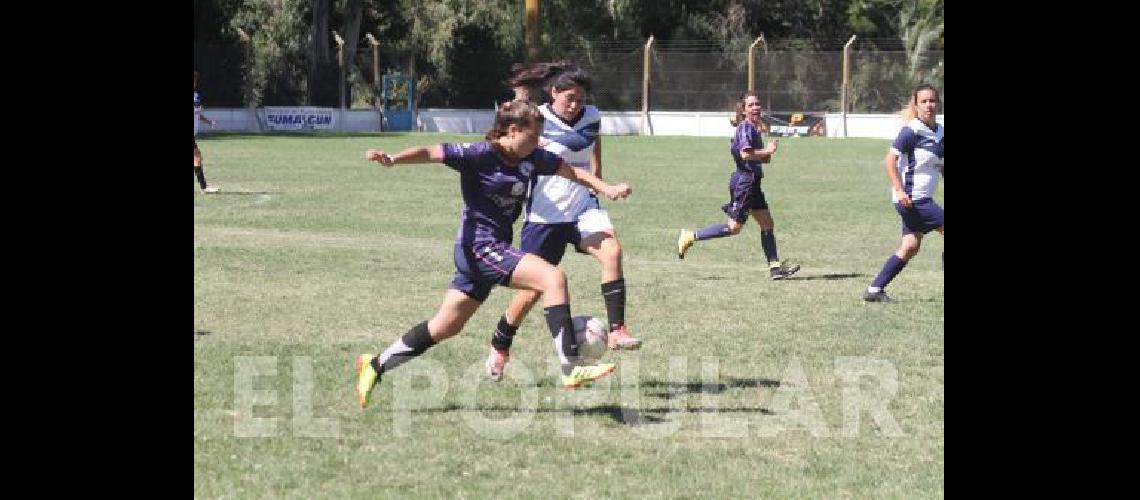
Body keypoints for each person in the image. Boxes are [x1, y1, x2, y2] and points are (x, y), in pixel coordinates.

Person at [354, 100, 633, 408]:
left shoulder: (531, 157)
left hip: (490, 248)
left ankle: (375, 365)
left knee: (446, 326)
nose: (539, 142)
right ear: (512, 131)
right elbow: (432, 152)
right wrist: (393, 159)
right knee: (552, 278)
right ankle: (570, 365)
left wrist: (605, 189)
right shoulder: (479, 154)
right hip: (479, 246)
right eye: (533, 136)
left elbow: (572, 172)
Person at [484, 63, 641, 383]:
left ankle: (616, 330)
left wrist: (598, 182)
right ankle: (500, 344)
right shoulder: (535, 119)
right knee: (531, 292)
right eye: (570, 98)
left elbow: (594, 144)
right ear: (553, 93)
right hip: (545, 214)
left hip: (583, 206)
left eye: (581, 100)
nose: (576, 105)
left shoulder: (593, 115)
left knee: (612, 252)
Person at [675, 91, 801, 280]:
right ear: (743, 110)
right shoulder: (745, 128)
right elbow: (744, 154)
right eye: (751, 105)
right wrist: (766, 150)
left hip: (753, 182)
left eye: (757, 104)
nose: (756, 107)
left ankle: (775, 269)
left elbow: (757, 157)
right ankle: (690, 236)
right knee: (734, 228)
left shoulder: (753, 128)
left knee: (767, 223)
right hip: (746, 183)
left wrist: (768, 153)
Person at [863, 84, 944, 303]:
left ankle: (874, 290)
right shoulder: (911, 131)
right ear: (916, 105)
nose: (929, 105)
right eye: (924, 101)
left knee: (910, 246)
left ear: (938, 103)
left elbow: (941, 166)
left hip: (921, 199)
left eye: (932, 101)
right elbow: (890, 160)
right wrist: (899, 190)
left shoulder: (941, 132)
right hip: (912, 198)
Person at [194, 71, 219, 194]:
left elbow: (198, 114)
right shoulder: (195, 97)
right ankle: (204, 187)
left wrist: (209, 122)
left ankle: (203, 186)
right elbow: (196, 111)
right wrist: (197, 110)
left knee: (197, 157)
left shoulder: (195, 95)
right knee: (197, 157)